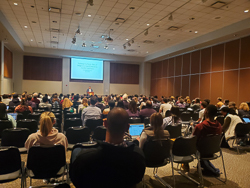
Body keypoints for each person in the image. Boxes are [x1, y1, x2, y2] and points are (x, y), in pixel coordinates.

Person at [70, 107, 146, 188]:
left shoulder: (84, 158)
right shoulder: (138, 156)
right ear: (127, 127)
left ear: (105, 123)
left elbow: (76, 181)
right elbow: (138, 179)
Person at [191, 105, 222, 176]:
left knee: (184, 143)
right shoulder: (219, 125)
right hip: (214, 149)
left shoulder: (200, 126)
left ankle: (185, 165)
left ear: (206, 112)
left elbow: (193, 140)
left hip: (201, 151)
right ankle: (204, 165)